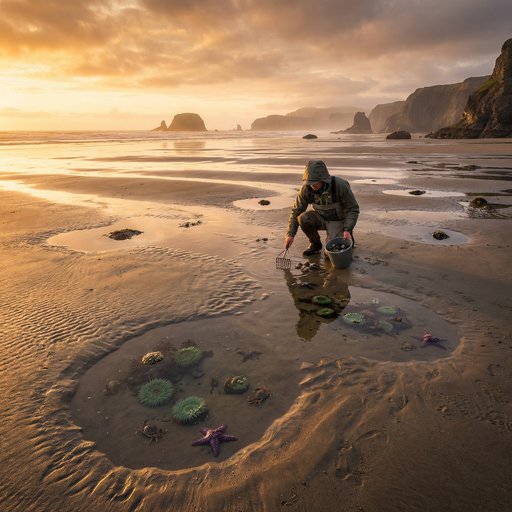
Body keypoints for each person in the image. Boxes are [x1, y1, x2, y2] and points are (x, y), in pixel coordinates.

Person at [284, 160, 360, 256]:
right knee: (303, 218)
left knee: (332, 254)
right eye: (310, 183)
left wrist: (347, 229)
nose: (312, 185)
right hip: (321, 218)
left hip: (338, 221)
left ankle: (346, 235)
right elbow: (296, 211)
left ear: (323, 179)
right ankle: (315, 244)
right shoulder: (306, 189)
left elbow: (353, 209)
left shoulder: (340, 185)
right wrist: (290, 235)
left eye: (315, 182)